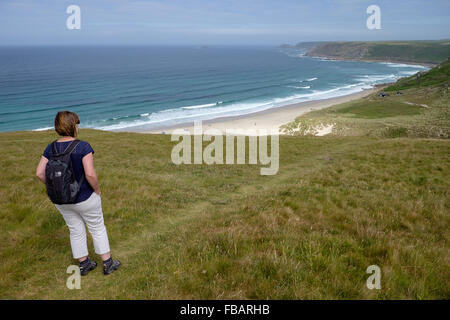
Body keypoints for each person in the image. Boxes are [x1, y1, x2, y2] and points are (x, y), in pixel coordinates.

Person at [36, 111, 120, 275]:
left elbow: (39, 173)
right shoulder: (83, 146)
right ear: (72, 126)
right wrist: (97, 189)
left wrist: (54, 187)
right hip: (84, 197)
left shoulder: (50, 147)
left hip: (61, 199)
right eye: (76, 123)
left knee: (75, 230)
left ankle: (84, 265)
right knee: (97, 228)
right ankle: (108, 264)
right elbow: (90, 174)